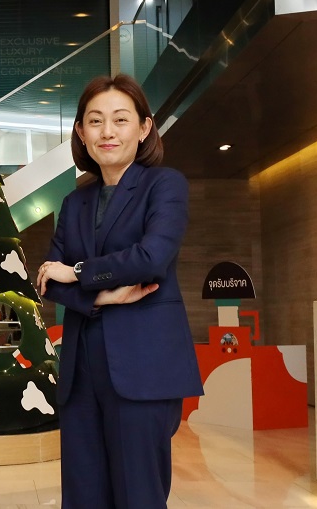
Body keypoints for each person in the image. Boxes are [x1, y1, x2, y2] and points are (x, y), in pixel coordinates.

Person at [36, 74, 203, 508]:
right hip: (80, 375)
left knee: (138, 495)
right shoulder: (74, 202)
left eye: (120, 119)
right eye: (95, 121)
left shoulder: (164, 185)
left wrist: (77, 272)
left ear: (144, 128)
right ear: (81, 132)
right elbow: (48, 280)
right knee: (83, 496)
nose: (107, 131)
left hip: (142, 370)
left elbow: (150, 258)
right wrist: (101, 295)